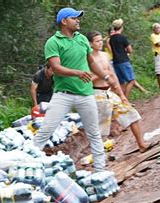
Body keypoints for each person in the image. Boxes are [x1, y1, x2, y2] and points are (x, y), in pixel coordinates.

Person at [33, 7, 120, 172]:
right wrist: (78, 73)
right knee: (46, 130)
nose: (78, 20)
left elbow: (92, 62)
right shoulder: (53, 42)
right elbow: (56, 67)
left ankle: (100, 171)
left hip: (86, 94)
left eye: (78, 18)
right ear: (64, 21)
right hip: (62, 95)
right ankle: (28, 164)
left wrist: (107, 77)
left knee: (94, 133)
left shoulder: (81, 39)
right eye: (74, 18)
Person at [87, 31, 149, 152]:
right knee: (102, 128)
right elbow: (87, 81)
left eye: (101, 40)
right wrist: (102, 75)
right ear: (90, 43)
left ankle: (141, 144)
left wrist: (121, 95)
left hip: (110, 92)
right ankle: (99, 156)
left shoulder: (105, 55)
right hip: (97, 94)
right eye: (97, 41)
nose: (100, 43)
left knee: (132, 114)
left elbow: (113, 75)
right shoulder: (87, 59)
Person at [108, 19, 136, 98]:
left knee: (121, 82)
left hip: (115, 62)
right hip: (124, 61)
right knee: (131, 80)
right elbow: (130, 50)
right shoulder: (123, 37)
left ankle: (121, 100)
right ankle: (126, 100)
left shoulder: (111, 38)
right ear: (121, 27)